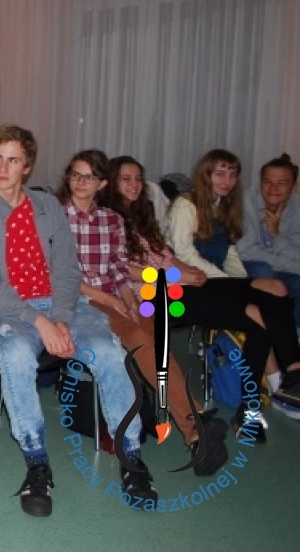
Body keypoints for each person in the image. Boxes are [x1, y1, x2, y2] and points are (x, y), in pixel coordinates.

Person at [0, 125, 155, 517]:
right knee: (15, 353)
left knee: (108, 351)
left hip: (62, 304)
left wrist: (60, 318)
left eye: (13, 160)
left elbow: (66, 270)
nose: (2, 168)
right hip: (1, 310)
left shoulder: (47, 206)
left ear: (27, 167)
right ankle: (36, 463)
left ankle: (131, 455)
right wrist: (41, 323)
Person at [58, 150, 227, 475]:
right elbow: (60, 275)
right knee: (139, 339)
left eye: (89, 177)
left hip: (114, 297)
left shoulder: (112, 219)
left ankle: (195, 433)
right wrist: (110, 301)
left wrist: (130, 302)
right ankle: (195, 421)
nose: (80, 182)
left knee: (155, 337)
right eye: (75, 175)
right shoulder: (55, 217)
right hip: (81, 300)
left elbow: (119, 271)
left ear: (101, 183)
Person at [164, 149, 300, 429]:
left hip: (215, 282)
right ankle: (260, 399)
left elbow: (231, 254)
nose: (226, 181)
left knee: (275, 288)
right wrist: (229, 282)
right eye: (220, 174)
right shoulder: (185, 205)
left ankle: (292, 374)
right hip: (184, 287)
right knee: (259, 313)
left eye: (232, 175)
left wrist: (240, 281)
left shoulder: (224, 206)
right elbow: (184, 254)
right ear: (206, 175)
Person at [238, 153, 300, 332]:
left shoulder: (297, 207)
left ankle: (293, 336)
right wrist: (292, 265)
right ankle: (267, 333)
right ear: (260, 182)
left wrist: (276, 236)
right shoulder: (246, 201)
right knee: (263, 271)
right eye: (267, 181)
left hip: (281, 268)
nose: (273, 188)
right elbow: (245, 250)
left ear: (293, 186)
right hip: (249, 265)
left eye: (281, 183)